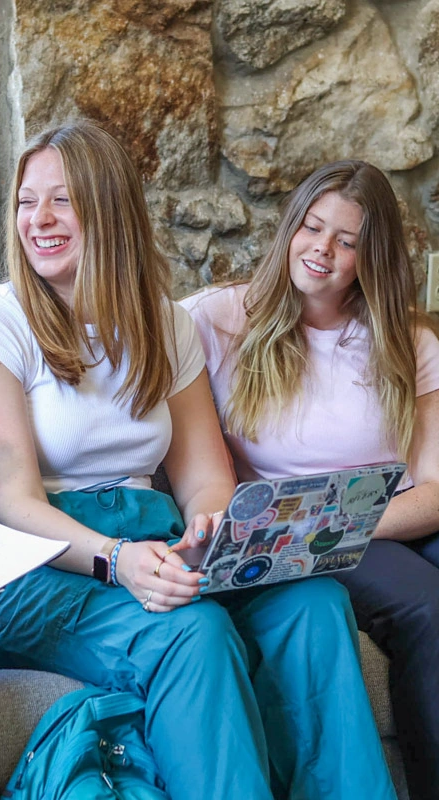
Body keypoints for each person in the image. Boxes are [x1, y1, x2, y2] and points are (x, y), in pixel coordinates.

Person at [0, 121, 396, 799]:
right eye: (27, 201)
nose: (39, 219)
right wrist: (118, 560)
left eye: (62, 200)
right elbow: (14, 505)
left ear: (109, 209)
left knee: (314, 604)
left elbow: (204, 475)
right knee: (189, 631)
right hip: (15, 568)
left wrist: (209, 537)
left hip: (143, 540)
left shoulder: (163, 323)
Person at [180, 160, 439, 800]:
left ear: (370, 257)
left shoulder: (408, 340)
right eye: (311, 227)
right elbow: (126, 347)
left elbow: (435, 487)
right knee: (428, 606)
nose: (321, 249)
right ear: (290, 227)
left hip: (392, 517)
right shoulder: (218, 319)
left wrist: (349, 520)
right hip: (292, 538)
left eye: (346, 240)